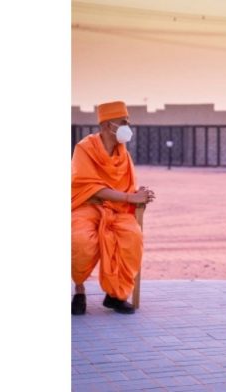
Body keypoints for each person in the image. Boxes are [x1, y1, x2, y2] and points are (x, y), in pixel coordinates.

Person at [71, 101, 155, 315]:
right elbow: (92, 187)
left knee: (132, 237)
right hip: (87, 206)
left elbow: (126, 185)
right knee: (79, 240)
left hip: (117, 209)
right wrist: (130, 196)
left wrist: (138, 193)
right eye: (124, 122)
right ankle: (79, 290)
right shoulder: (85, 148)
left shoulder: (123, 154)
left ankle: (115, 295)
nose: (128, 126)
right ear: (108, 125)